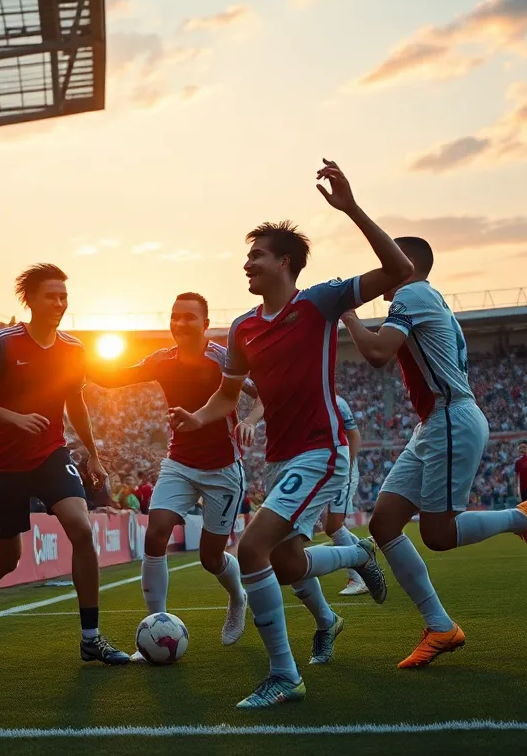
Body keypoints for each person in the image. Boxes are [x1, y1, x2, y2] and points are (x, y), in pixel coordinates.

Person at [170, 160, 408, 708]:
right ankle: (357, 558)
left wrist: (350, 208)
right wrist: (197, 418)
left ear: (284, 262)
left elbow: (396, 270)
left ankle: (285, 674)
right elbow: (227, 398)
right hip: (281, 459)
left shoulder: (319, 302)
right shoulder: (243, 328)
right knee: (285, 562)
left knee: (251, 547)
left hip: (321, 451)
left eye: (256, 255)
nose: (246, 263)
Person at [341, 233, 527, 670]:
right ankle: (439, 626)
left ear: (406, 263)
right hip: (436, 422)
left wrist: (347, 314)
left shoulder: (413, 293)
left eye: (385, 259)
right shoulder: (423, 296)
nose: (378, 268)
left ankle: (522, 517)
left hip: (451, 417)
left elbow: (379, 352)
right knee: (384, 523)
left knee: (437, 535)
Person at [0, 263, 128, 665]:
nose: (59, 303)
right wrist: (16, 418)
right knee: (8, 559)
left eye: (63, 297)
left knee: (82, 529)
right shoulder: (3, 342)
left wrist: (94, 451)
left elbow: (76, 403)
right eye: (51, 296)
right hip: (4, 461)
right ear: (30, 300)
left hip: (51, 453)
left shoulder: (73, 348)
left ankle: (91, 638)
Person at [88, 292, 261, 656]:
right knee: (157, 532)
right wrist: (77, 362)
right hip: (179, 463)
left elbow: (264, 394)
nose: (180, 323)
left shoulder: (222, 358)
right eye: (175, 316)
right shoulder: (161, 360)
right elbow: (115, 378)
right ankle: (157, 626)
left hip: (222, 469)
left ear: (205, 322)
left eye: (189, 317)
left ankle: (237, 598)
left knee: (211, 559)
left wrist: (249, 419)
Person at [322, 395, 369, 599]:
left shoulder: (336, 402)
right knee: (331, 526)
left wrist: (347, 468)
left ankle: (357, 578)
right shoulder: (305, 396)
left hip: (341, 469)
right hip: (324, 469)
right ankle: (366, 556)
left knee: (333, 526)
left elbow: (354, 435)